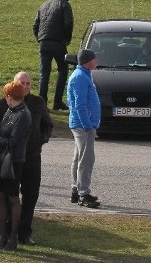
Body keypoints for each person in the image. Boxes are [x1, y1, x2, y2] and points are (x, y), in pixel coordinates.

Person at [0, 72, 53, 247]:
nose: (25, 87)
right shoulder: (3, 103)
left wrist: (41, 139)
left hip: (32, 157)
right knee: (8, 195)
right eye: (22, 83)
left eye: (28, 83)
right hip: (8, 159)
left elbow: (47, 125)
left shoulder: (38, 102)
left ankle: (25, 232)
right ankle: (8, 230)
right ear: (14, 84)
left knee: (31, 194)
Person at [0, 80, 32, 251]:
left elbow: (13, 142)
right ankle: (3, 235)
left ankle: (12, 236)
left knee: (12, 197)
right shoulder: (10, 110)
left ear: (9, 96)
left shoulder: (23, 114)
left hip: (13, 161)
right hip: (1, 158)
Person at [68, 48, 101, 209]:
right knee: (86, 160)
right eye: (94, 59)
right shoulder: (81, 77)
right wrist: (88, 125)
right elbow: (79, 104)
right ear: (88, 61)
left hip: (82, 124)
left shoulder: (83, 75)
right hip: (83, 125)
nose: (97, 61)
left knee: (79, 158)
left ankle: (76, 189)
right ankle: (83, 193)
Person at [33, 0, 73, 110]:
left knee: (44, 72)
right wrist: (67, 39)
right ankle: (57, 101)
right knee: (63, 70)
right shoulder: (64, 4)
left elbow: (35, 25)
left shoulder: (44, 5)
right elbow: (68, 23)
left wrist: (39, 38)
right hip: (58, 42)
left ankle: (42, 102)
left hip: (43, 42)